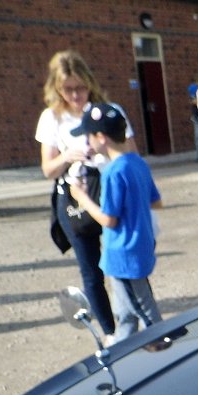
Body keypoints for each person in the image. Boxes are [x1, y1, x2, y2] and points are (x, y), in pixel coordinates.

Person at [36, 49, 137, 338]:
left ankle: (131, 325)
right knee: (91, 272)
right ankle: (109, 334)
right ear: (56, 88)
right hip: (75, 195)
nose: (76, 94)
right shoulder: (52, 118)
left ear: (90, 82)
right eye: (68, 89)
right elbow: (48, 169)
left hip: (110, 186)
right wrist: (68, 155)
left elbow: (132, 154)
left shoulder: (109, 109)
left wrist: (105, 150)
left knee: (123, 260)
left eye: (81, 87)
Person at [66, 103, 163, 343]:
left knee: (147, 314)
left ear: (101, 137)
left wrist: (82, 198)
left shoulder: (112, 172)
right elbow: (156, 202)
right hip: (139, 248)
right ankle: (120, 356)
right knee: (126, 314)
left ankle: (166, 352)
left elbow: (109, 219)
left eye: (88, 136)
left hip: (123, 255)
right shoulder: (138, 163)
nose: (87, 143)